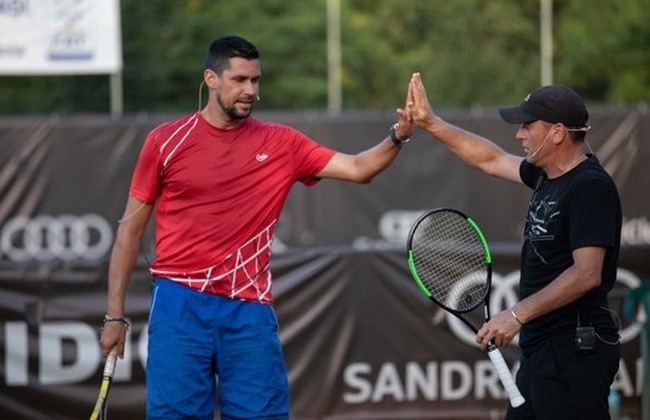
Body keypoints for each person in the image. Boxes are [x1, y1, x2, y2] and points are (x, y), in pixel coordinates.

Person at [99, 35, 415, 419]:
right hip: (178, 305)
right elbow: (129, 232)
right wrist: (115, 316)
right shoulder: (165, 141)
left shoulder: (282, 143)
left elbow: (358, 168)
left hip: (248, 310)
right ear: (211, 79)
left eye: (255, 80)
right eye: (240, 80)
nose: (250, 90)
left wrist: (398, 135)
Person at [407, 73, 621, 419]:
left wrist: (516, 314)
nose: (519, 133)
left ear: (556, 133)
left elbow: (587, 273)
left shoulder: (589, 187)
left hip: (575, 353)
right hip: (541, 350)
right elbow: (489, 159)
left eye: (527, 125)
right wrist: (431, 123)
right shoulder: (544, 176)